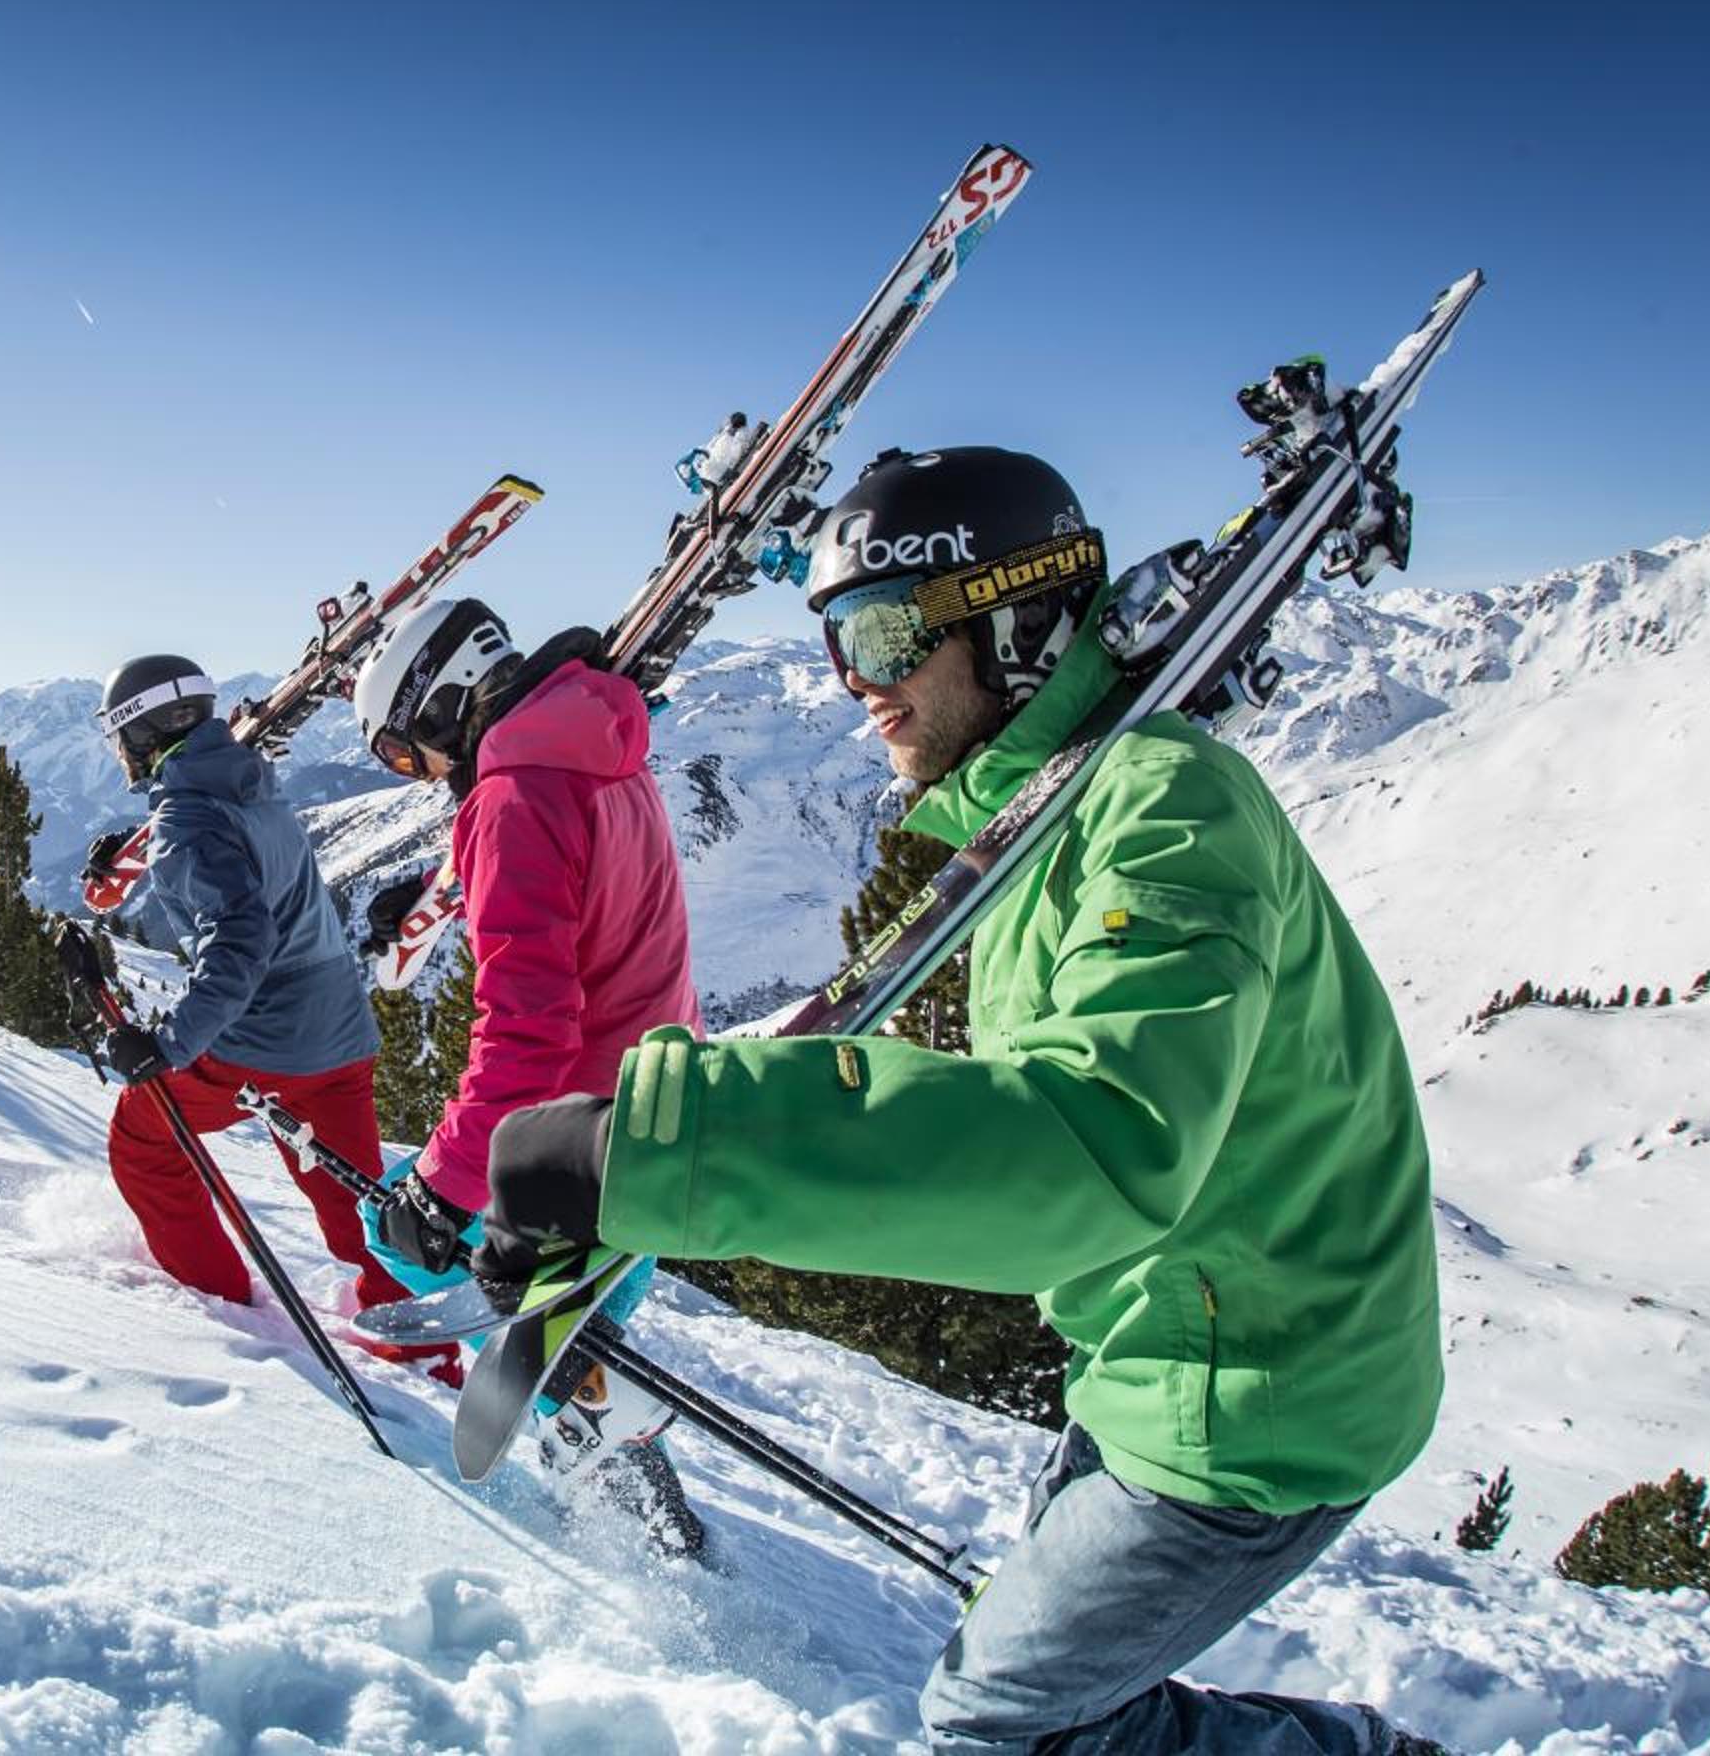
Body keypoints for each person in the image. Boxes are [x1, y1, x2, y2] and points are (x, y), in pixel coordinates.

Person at [475, 446, 1448, 1753]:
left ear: (1019, 625)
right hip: (1172, 1342)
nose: (854, 682)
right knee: (1050, 1706)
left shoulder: (1164, 811)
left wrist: (655, 1148)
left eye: (881, 634)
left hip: (1269, 1384)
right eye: (832, 642)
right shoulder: (1050, 819)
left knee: (1001, 1729)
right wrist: (641, 1166)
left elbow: (1095, 1143)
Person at [348, 599, 709, 1555]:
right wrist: (451, 879)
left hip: (584, 1122)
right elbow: (570, 874)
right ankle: (593, 1401)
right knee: (578, 1294)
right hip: (664, 1089)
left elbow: (526, 1038)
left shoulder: (513, 797)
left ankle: (604, 1446)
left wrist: (441, 1189)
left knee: (400, 1229)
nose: (419, 773)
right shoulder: (595, 742)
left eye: (402, 752)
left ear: (441, 702)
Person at [82, 654, 409, 1319]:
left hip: (265, 1043)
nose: (117, 753)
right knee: (354, 1199)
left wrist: (169, 1045)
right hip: (341, 1033)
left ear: (142, 733)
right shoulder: (252, 783)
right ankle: (412, 1335)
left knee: (145, 1139)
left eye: (119, 737)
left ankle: (222, 1306)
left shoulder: (186, 823)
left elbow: (239, 941)